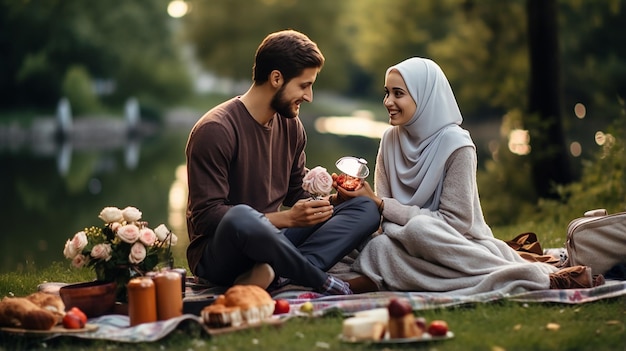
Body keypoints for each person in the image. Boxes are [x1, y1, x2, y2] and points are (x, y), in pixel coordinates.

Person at [336, 57, 605, 295]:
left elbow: (456, 223)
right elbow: (383, 218)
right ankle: (401, 273)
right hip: (399, 240)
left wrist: (383, 206)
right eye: (387, 93)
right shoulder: (389, 139)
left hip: (454, 242)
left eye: (398, 94)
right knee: (377, 248)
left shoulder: (457, 145)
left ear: (425, 96)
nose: (388, 102)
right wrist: (356, 201)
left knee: (417, 231)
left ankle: (534, 276)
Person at [185, 29, 380, 295]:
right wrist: (286, 218)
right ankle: (323, 281)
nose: (309, 96)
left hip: (274, 240)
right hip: (221, 255)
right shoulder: (216, 129)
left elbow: (295, 191)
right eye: (304, 85)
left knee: (364, 208)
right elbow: (206, 217)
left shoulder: (291, 126)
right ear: (276, 78)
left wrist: (334, 200)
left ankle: (278, 275)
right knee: (242, 216)